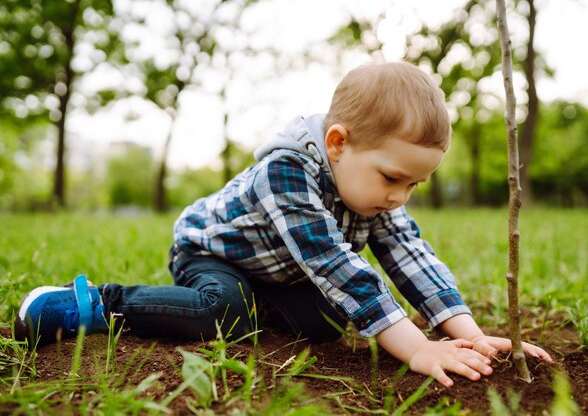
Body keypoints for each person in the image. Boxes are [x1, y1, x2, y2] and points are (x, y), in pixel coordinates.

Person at [15, 61, 552, 387]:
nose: (399, 197)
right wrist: (417, 348)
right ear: (338, 143)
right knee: (222, 309)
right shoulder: (286, 171)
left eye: (414, 185)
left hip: (279, 271)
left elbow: (411, 255)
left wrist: (471, 336)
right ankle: (97, 303)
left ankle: (257, 307)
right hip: (215, 253)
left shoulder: (378, 195)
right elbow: (335, 266)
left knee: (326, 324)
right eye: (393, 178)